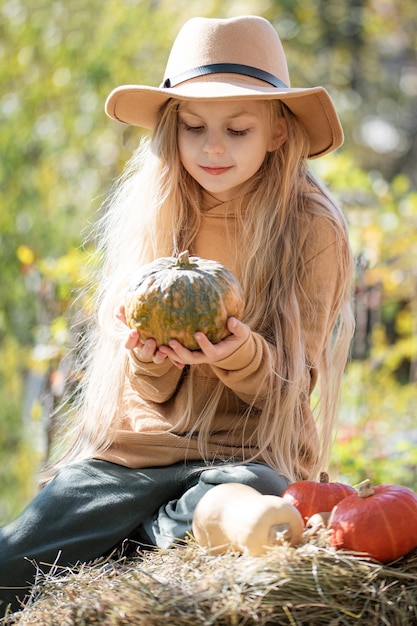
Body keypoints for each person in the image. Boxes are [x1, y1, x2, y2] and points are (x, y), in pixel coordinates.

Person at [0, 15, 355, 615]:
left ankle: (149, 537)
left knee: (257, 500)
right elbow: (144, 387)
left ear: (275, 132)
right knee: (12, 563)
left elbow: (295, 386)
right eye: (194, 128)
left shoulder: (312, 226)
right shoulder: (156, 207)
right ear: (172, 130)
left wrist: (236, 354)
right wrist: (147, 358)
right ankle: (149, 531)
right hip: (139, 455)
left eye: (237, 130)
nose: (212, 147)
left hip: (246, 452)